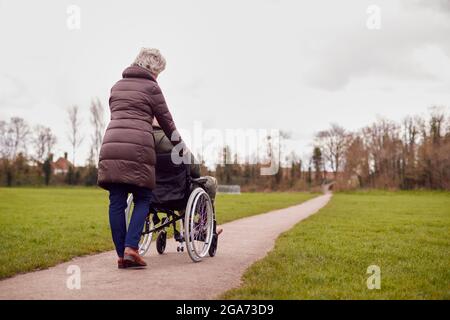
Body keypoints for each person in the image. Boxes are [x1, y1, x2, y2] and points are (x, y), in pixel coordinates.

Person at [97, 48, 181, 269]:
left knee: (116, 201)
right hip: (138, 148)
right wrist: (180, 147)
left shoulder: (116, 86)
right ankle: (131, 248)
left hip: (111, 146)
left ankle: (121, 255)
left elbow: (120, 116)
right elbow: (166, 122)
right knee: (143, 197)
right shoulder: (152, 88)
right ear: (153, 69)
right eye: (159, 72)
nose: (158, 77)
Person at [152, 119, 223, 235]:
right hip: (177, 194)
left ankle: (188, 223)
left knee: (182, 185)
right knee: (210, 182)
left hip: (152, 194)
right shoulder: (173, 139)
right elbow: (195, 170)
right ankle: (205, 223)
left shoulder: (141, 140)